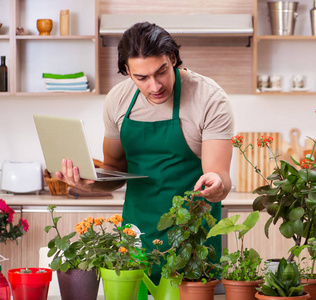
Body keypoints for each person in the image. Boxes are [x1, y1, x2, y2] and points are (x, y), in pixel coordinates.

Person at [56, 22, 234, 283]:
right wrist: (90, 183)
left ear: (172, 58)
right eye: (142, 78)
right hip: (135, 241)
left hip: (192, 245)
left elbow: (220, 178)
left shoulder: (209, 99)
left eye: (161, 72)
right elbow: (115, 170)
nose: (155, 86)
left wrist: (217, 184)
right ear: (127, 71)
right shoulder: (118, 99)